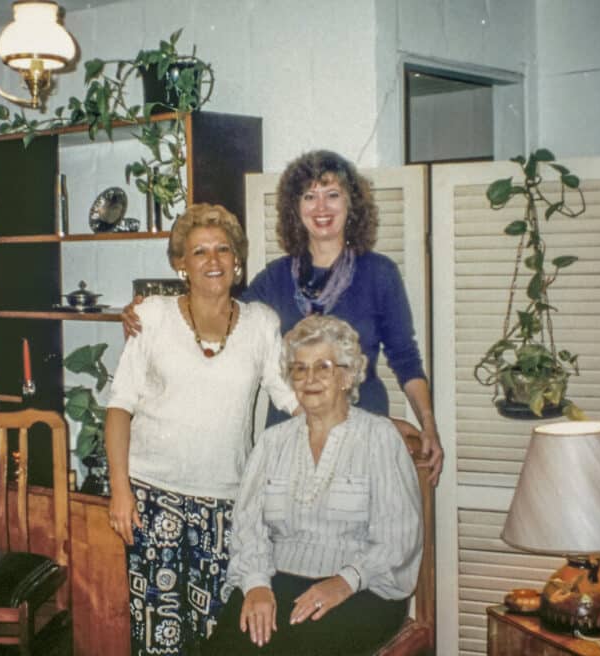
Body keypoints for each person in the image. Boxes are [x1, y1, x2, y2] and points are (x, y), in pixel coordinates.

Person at [122, 150, 443, 485]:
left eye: (332, 195)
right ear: (295, 208)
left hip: (360, 430)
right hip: (290, 434)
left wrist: (428, 423)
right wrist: (146, 315)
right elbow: (217, 320)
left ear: (351, 205)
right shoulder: (274, 278)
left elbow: (406, 359)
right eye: (309, 197)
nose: (321, 208)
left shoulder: (380, 274)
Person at [105, 203, 300, 656]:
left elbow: (293, 399)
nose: (213, 261)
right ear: (181, 264)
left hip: (227, 503)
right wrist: (120, 489)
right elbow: (119, 406)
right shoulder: (151, 316)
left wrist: (366, 427)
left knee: (217, 636)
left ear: (237, 260)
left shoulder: (260, 324)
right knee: (158, 637)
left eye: (223, 250)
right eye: (199, 252)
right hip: (152, 499)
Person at [203, 314, 423, 655]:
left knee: (301, 648)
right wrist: (256, 585)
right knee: (227, 648)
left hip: (363, 590)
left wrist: (343, 582)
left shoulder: (379, 437)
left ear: (347, 375)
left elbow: (398, 539)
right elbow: (249, 528)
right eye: (300, 369)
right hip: (279, 580)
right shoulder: (273, 442)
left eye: (323, 367)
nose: (310, 379)